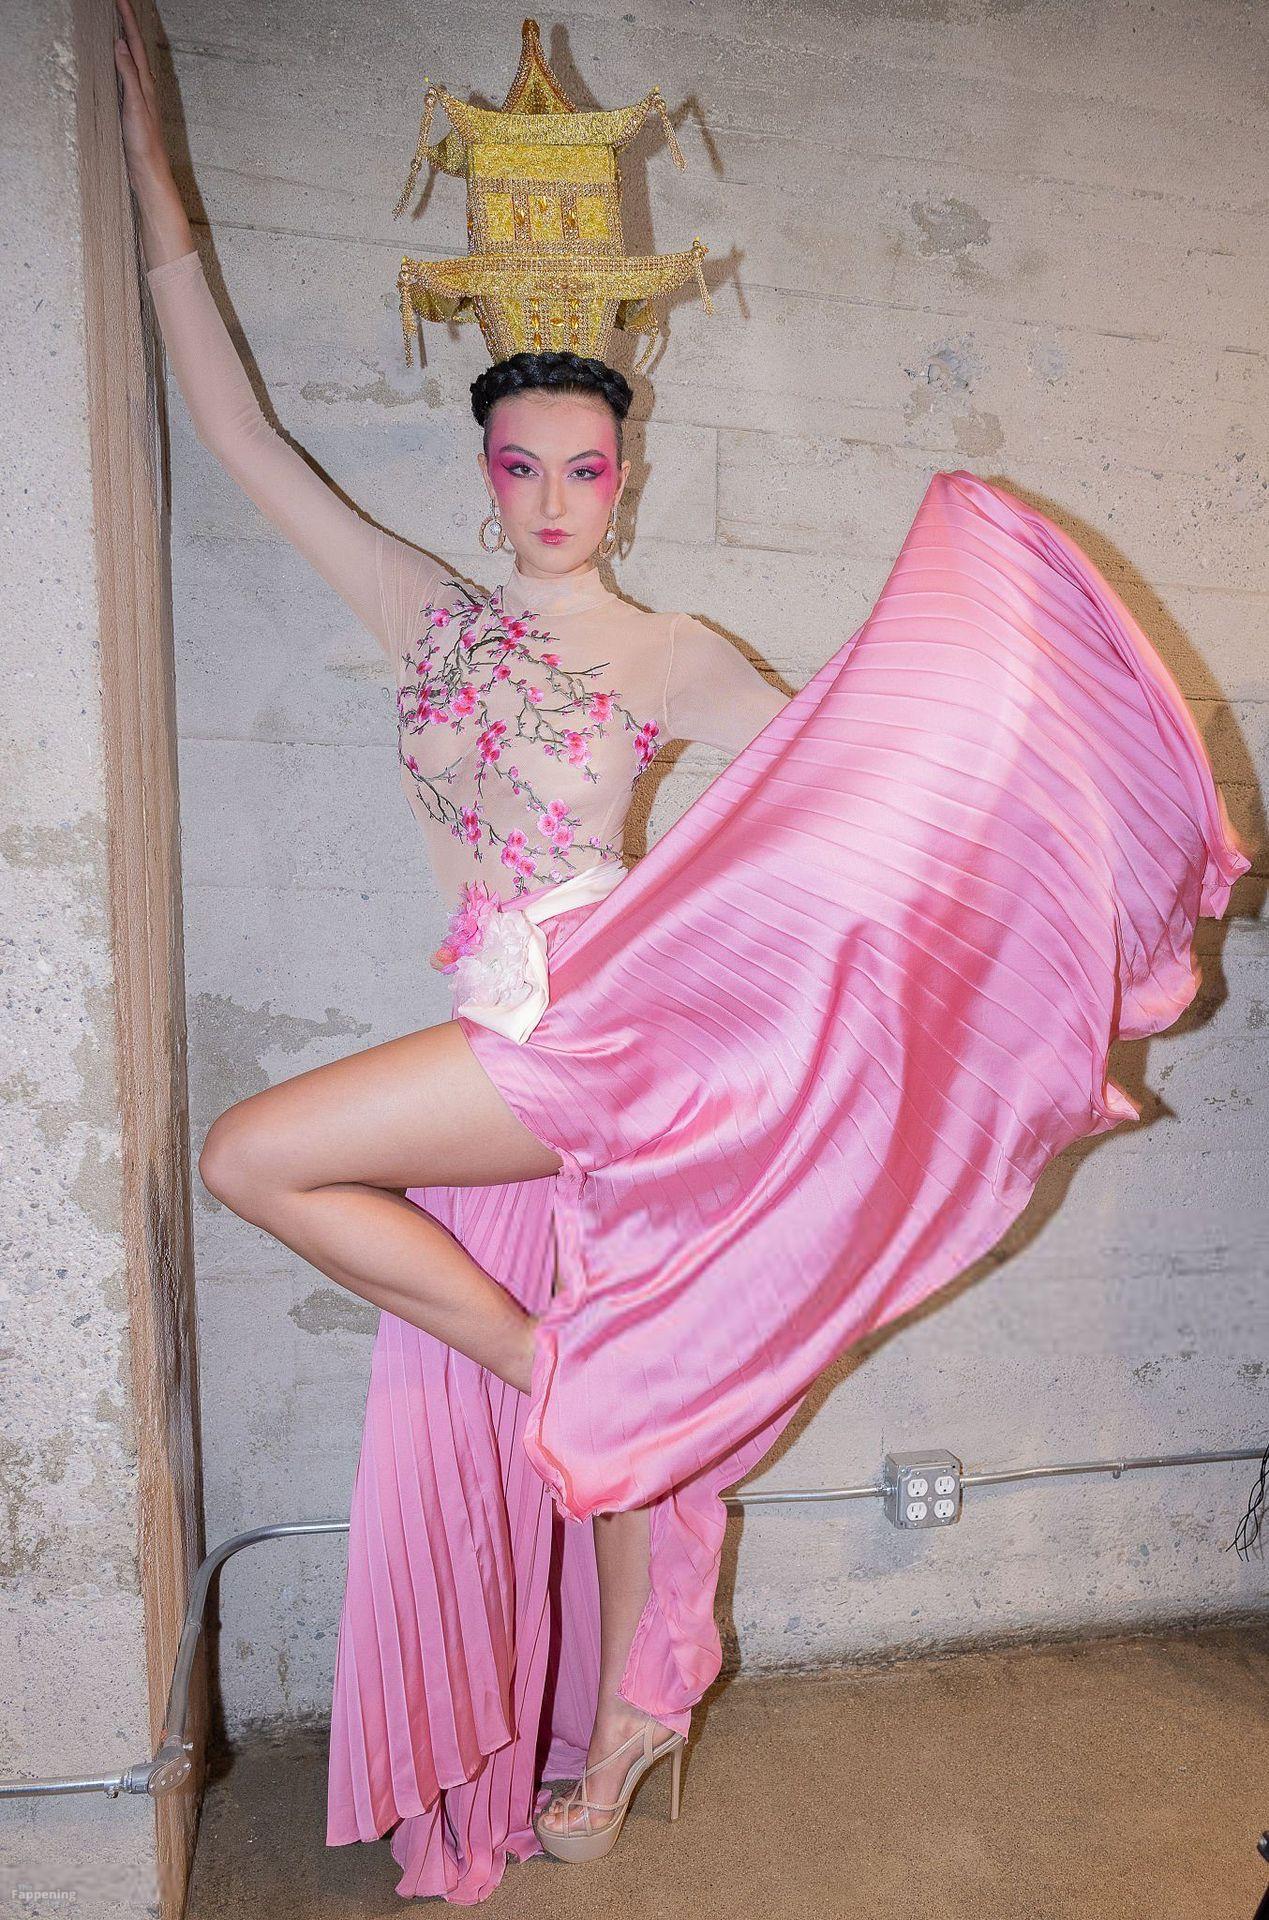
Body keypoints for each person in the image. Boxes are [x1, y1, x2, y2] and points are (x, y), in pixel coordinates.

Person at [116, 2, 1251, 1901]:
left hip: (608, 1016)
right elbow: (238, 434)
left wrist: (1056, 871)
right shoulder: (428, 614)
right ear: (486, 472)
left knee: (257, 1154)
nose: (556, 499)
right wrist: (157, 181)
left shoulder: (673, 653)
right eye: (523, 469)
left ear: (625, 474)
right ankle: (607, 1633)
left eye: (587, 469)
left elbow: (862, 799)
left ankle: (575, 1435)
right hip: (496, 1014)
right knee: (599, 1367)